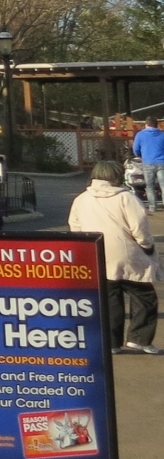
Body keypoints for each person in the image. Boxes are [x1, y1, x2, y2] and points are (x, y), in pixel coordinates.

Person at [68, 160, 162, 355]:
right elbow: (139, 227)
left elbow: (75, 227)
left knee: (111, 300)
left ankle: (111, 343)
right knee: (144, 295)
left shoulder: (81, 199)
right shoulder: (126, 198)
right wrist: (147, 245)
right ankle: (139, 338)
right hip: (127, 253)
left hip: (97, 254)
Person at [134, 118, 164, 213]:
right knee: (163, 185)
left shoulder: (140, 134)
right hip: (162, 162)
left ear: (146, 125)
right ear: (156, 125)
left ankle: (152, 206)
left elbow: (135, 149)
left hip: (148, 162)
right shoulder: (162, 134)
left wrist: (140, 155)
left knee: (150, 186)